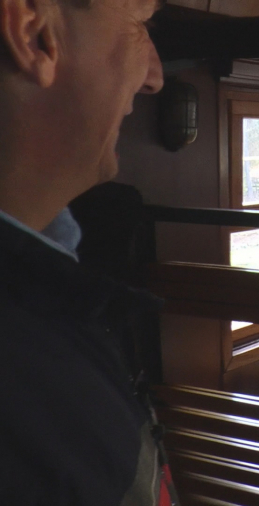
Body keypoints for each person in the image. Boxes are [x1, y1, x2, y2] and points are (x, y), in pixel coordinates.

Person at [0, 1, 174, 505]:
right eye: (141, 23)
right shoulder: (21, 361)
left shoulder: (48, 288)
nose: (155, 78)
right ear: (33, 33)